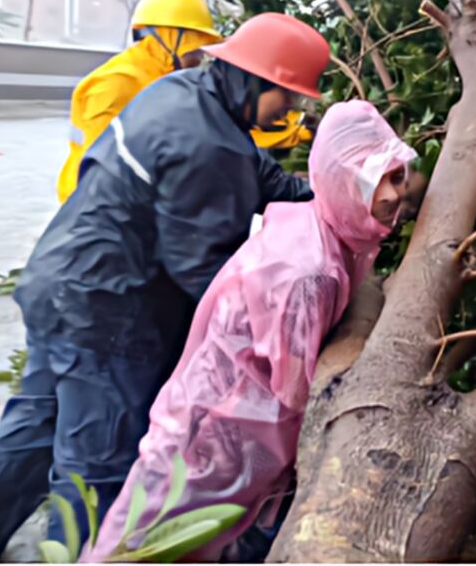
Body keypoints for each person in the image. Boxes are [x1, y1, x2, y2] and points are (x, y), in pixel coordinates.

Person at [0, 13, 330, 560]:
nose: (291, 111)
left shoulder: (186, 93)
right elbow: (206, 274)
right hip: (107, 318)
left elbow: (259, 175)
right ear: (254, 80)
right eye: (286, 96)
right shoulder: (207, 145)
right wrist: (278, 335)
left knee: (30, 434)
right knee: (95, 471)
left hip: (61, 286)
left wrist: (330, 192)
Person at [83, 100, 418, 563]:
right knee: (141, 550)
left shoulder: (317, 226)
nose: (402, 193)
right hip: (213, 447)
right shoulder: (310, 273)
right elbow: (295, 391)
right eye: (390, 178)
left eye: (402, 176)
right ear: (347, 179)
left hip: (217, 433)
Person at [57, 0, 223, 203]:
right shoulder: (116, 83)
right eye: (193, 50)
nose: (198, 59)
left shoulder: (167, 78)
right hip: (94, 207)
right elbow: (104, 168)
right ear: (172, 40)